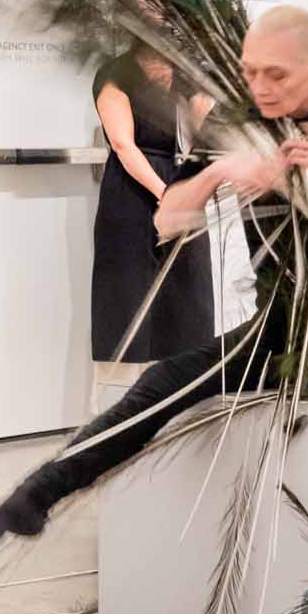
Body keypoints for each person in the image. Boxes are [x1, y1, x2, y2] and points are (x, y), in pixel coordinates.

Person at [0, 6, 308, 551]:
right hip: (283, 329)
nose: (261, 89)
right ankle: (36, 495)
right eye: (252, 73)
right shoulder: (238, 130)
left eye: (278, 75)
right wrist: (223, 171)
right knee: (160, 385)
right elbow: (168, 217)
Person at [90, 44, 215, 410]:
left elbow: (201, 135)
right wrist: (167, 194)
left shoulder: (188, 72)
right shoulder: (115, 72)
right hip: (132, 194)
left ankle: (185, 412)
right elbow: (123, 145)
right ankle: (115, 417)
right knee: (126, 302)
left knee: (190, 303)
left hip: (182, 187)